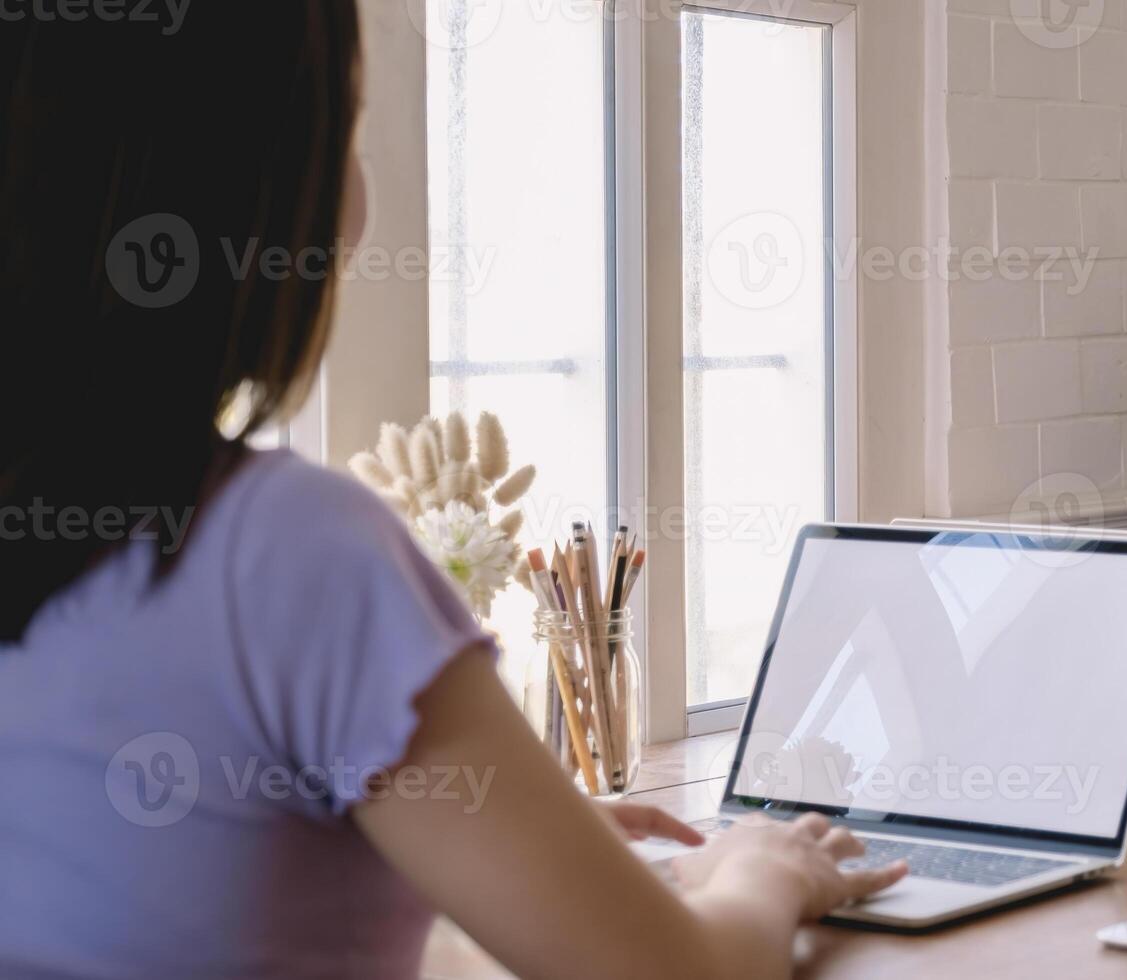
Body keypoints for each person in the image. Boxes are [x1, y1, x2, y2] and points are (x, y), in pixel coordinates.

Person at [0, 8, 900, 979]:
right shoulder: (284, 547)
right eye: (343, 129)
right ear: (249, 184)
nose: (357, 202)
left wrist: (483, 841)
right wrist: (761, 869)